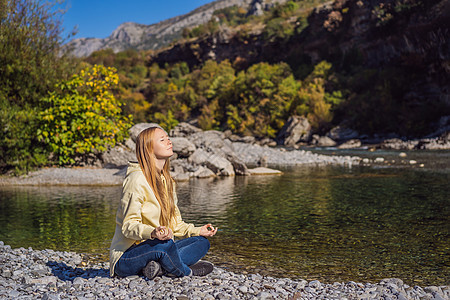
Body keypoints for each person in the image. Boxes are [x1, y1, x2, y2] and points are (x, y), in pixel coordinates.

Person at [109, 125, 218, 279]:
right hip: (127, 257)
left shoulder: (167, 181)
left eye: (168, 138)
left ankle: (159, 268)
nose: (169, 142)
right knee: (165, 246)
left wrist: (197, 230)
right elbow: (128, 226)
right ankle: (186, 272)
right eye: (162, 140)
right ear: (149, 149)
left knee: (201, 242)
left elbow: (175, 224)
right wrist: (152, 233)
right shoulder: (136, 179)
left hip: (158, 247)